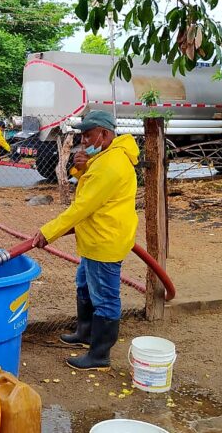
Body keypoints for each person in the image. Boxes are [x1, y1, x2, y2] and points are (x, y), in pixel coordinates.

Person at [31, 110, 139, 370]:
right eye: (82, 136)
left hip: (104, 241)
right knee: (84, 284)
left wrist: (49, 232)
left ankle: (99, 355)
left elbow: (82, 206)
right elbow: (88, 182)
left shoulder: (111, 165)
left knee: (105, 297)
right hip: (96, 238)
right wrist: (81, 167)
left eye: (88, 136)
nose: (84, 141)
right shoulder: (105, 156)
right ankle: (85, 334)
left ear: (105, 134)